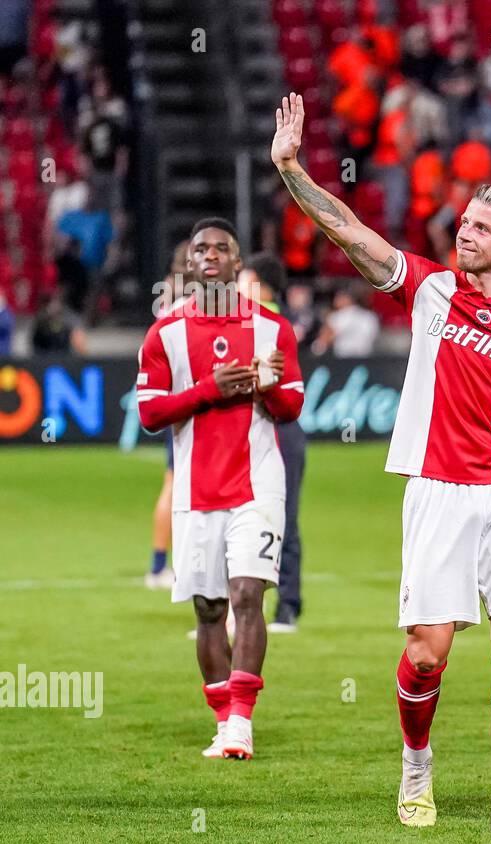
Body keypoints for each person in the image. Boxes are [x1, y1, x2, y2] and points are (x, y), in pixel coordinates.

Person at [273, 93, 491, 836]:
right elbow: (348, 231)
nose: (464, 233)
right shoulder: (431, 290)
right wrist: (290, 168)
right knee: (427, 653)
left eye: (482, 227)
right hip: (440, 488)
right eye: (464, 222)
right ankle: (417, 764)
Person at [135, 217, 305, 761]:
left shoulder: (273, 328)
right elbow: (149, 414)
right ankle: (221, 717)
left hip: (257, 484)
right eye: (200, 248)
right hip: (195, 490)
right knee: (208, 609)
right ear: (188, 264)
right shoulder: (166, 333)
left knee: (247, 596)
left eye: (221, 248)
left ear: (238, 264)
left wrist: (266, 385)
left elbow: (291, 407)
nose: (209, 255)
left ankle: (241, 724)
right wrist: (210, 390)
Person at [237, 253, 309, 634]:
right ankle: (283, 606)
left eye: (244, 279)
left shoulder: (262, 321)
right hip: (278, 429)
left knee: (274, 517)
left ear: (261, 284)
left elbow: (265, 383)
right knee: (281, 518)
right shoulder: (283, 319)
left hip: (274, 427)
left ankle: (279, 607)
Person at [144, 239, 191, 591]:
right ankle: (166, 564)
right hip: (190, 402)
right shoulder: (195, 305)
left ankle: (163, 564)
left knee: (174, 482)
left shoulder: (166, 302)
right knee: (177, 484)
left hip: (172, 400)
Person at [314, 281, 380, 357]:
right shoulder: (370, 316)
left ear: (348, 299)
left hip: (343, 359)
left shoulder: (337, 316)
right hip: (366, 357)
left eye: (338, 297)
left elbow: (324, 340)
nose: (335, 300)